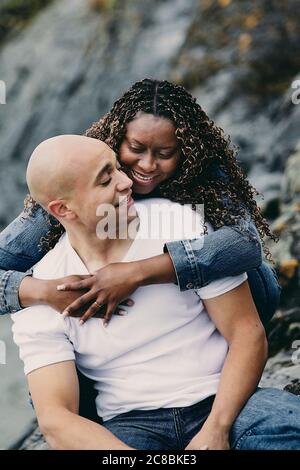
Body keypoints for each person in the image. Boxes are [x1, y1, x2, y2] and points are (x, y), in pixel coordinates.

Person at [12, 135, 300, 451]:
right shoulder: (46, 290)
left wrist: (216, 430)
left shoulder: (178, 222)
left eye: (118, 168)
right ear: (63, 209)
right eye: (106, 180)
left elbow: (247, 333)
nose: (126, 182)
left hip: (224, 400)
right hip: (132, 426)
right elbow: (56, 417)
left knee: (286, 425)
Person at [0, 79, 280, 330]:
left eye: (165, 153)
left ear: (187, 150)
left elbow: (246, 245)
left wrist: (135, 273)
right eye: (135, 149)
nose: (147, 165)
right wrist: (44, 292)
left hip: (230, 312)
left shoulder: (203, 172)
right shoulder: (76, 180)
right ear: (116, 137)